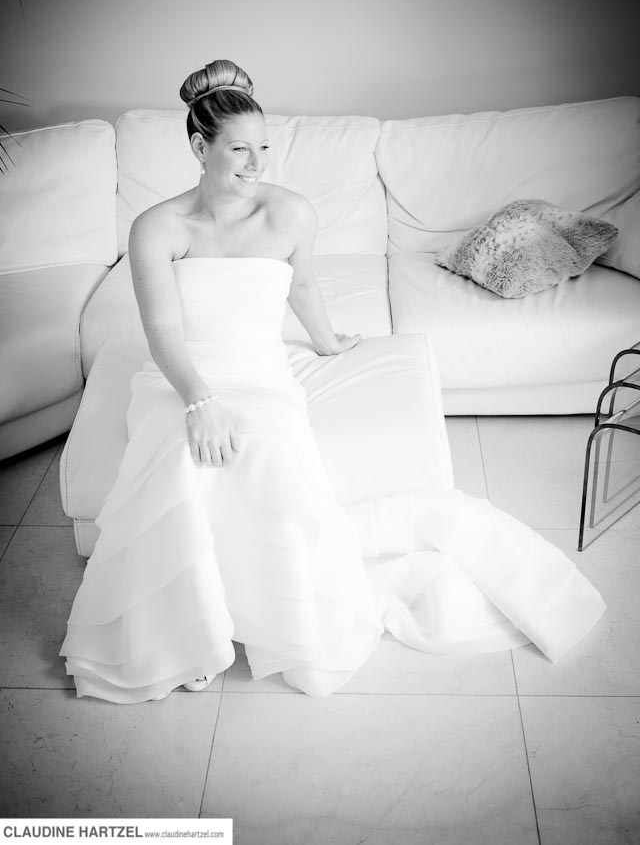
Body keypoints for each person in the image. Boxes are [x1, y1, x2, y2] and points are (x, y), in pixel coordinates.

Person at [60, 60, 605, 702]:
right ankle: (188, 632)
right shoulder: (156, 226)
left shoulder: (290, 213)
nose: (256, 164)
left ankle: (249, 610)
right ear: (200, 147)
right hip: (179, 374)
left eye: (264, 148)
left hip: (258, 372)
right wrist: (198, 400)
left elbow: (304, 286)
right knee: (183, 455)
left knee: (263, 452)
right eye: (239, 149)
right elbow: (160, 329)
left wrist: (326, 342)